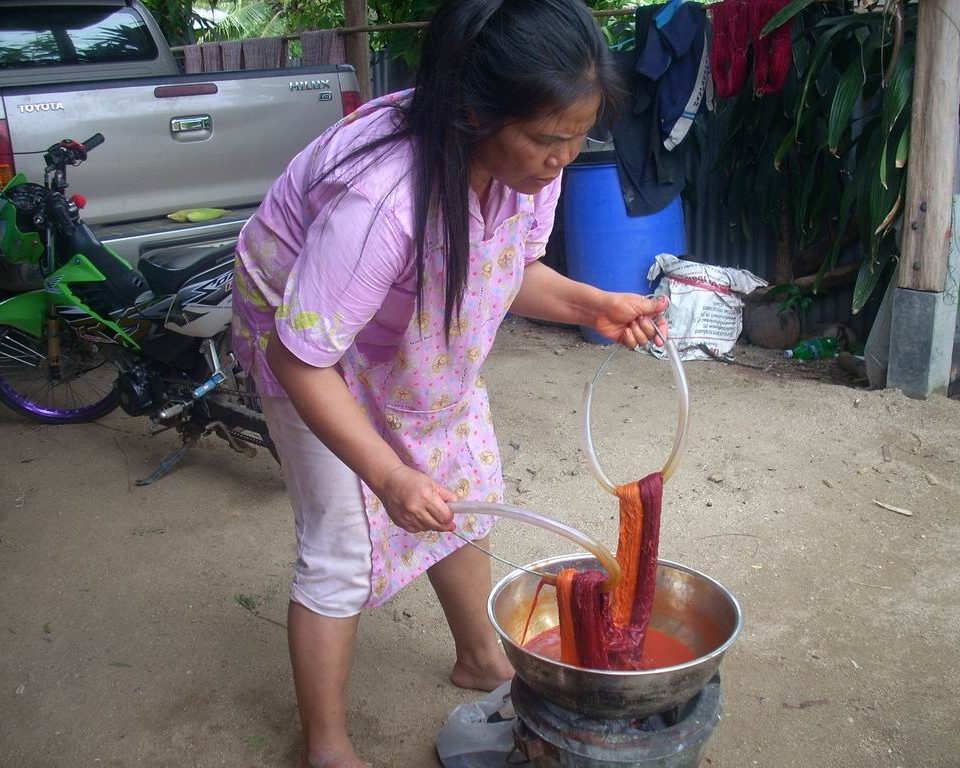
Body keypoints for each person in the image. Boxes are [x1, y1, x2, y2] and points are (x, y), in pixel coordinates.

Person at [232, 0, 669, 765]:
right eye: (545, 139)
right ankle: (327, 748)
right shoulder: (382, 204)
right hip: (305, 331)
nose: (561, 158)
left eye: (576, 138)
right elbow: (300, 358)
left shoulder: (534, 165)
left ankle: (481, 657)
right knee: (342, 547)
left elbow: (511, 269)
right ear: (475, 111)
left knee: (463, 486)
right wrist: (388, 472)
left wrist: (592, 303)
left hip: (407, 324)